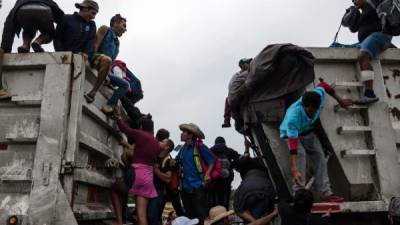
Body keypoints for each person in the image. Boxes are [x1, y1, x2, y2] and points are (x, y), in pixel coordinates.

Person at [279, 81, 352, 202]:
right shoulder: (293, 117)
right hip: (290, 133)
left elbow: (323, 85)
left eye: (315, 111)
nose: (312, 114)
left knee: (320, 156)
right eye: (309, 111)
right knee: (301, 155)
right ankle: (298, 193)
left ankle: (325, 193)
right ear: (304, 106)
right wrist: (294, 169)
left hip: (307, 130)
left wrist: (340, 101)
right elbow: (293, 147)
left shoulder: (319, 96)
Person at [115, 107, 173, 225]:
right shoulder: (157, 144)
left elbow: (124, 128)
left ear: (142, 127)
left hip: (135, 172)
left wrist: (119, 117)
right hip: (148, 179)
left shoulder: (140, 134)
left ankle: (119, 222)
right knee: (142, 215)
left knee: (115, 189)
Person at [0, 0, 64, 98]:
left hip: (21, 11)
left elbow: (9, 24)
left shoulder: (19, 2)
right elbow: (62, 19)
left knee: (28, 29)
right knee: (49, 33)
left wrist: (5, 48)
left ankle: (25, 45)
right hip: (44, 11)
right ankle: (38, 41)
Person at [341, 0, 393, 104]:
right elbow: (354, 28)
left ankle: (369, 94)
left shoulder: (374, 3)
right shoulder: (364, 11)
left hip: (380, 35)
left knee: (363, 55)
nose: (353, 1)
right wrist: (351, 14)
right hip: (367, 40)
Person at [175, 123, 215, 225]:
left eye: (184, 132)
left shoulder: (199, 146)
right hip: (185, 187)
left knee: (202, 215)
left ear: (190, 135)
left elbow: (212, 161)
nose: (181, 134)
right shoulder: (182, 149)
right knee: (190, 217)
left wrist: (208, 174)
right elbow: (176, 161)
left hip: (198, 186)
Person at [84, 13, 127, 103]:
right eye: (123, 25)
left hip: (106, 66)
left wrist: (107, 74)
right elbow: (95, 45)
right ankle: (93, 92)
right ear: (115, 23)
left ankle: (110, 105)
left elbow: (112, 62)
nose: (125, 29)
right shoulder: (105, 29)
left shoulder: (117, 43)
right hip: (95, 58)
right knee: (107, 60)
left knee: (125, 85)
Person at [233, 150, 276, 223]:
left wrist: (255, 221)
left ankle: (255, 221)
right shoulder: (256, 162)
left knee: (238, 207)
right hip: (266, 189)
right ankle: (257, 221)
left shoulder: (243, 167)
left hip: (247, 190)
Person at [148, 129, 175, 225]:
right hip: (149, 190)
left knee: (152, 216)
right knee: (150, 216)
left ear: (166, 147)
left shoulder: (168, 161)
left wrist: (156, 171)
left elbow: (168, 178)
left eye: (162, 142)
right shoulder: (155, 156)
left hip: (158, 191)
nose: (159, 142)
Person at [208, 137, 240, 209]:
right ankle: (225, 214)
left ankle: (216, 214)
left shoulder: (210, 151)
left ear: (215, 143)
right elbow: (238, 158)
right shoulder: (229, 150)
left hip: (214, 179)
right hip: (226, 179)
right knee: (225, 199)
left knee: (215, 200)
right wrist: (231, 166)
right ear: (224, 143)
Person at [222, 58, 252, 128]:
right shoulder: (237, 75)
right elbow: (231, 88)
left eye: (249, 62)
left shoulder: (253, 70)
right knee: (228, 99)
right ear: (242, 65)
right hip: (240, 92)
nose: (249, 64)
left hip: (250, 89)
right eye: (247, 63)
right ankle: (227, 120)